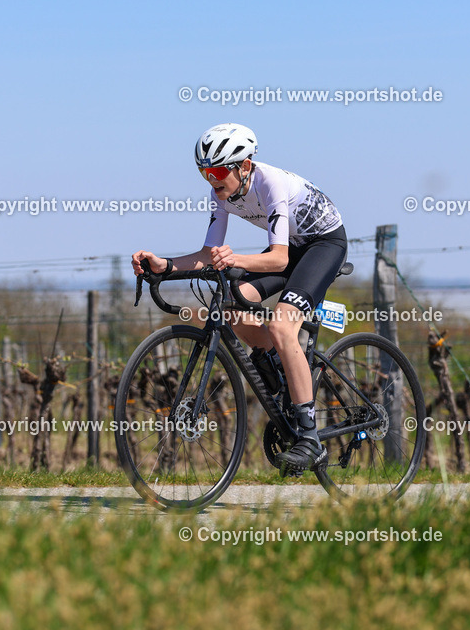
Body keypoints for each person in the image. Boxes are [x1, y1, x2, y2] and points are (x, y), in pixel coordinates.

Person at [130, 123, 348, 473]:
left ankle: (310, 438)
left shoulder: (271, 184)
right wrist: (165, 265)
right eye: (204, 172)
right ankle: (276, 364)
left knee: (281, 326)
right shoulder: (221, 194)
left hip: (323, 244)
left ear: (244, 166)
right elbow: (207, 253)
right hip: (292, 248)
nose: (210, 180)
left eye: (216, 171)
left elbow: (277, 259)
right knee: (230, 303)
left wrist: (235, 259)